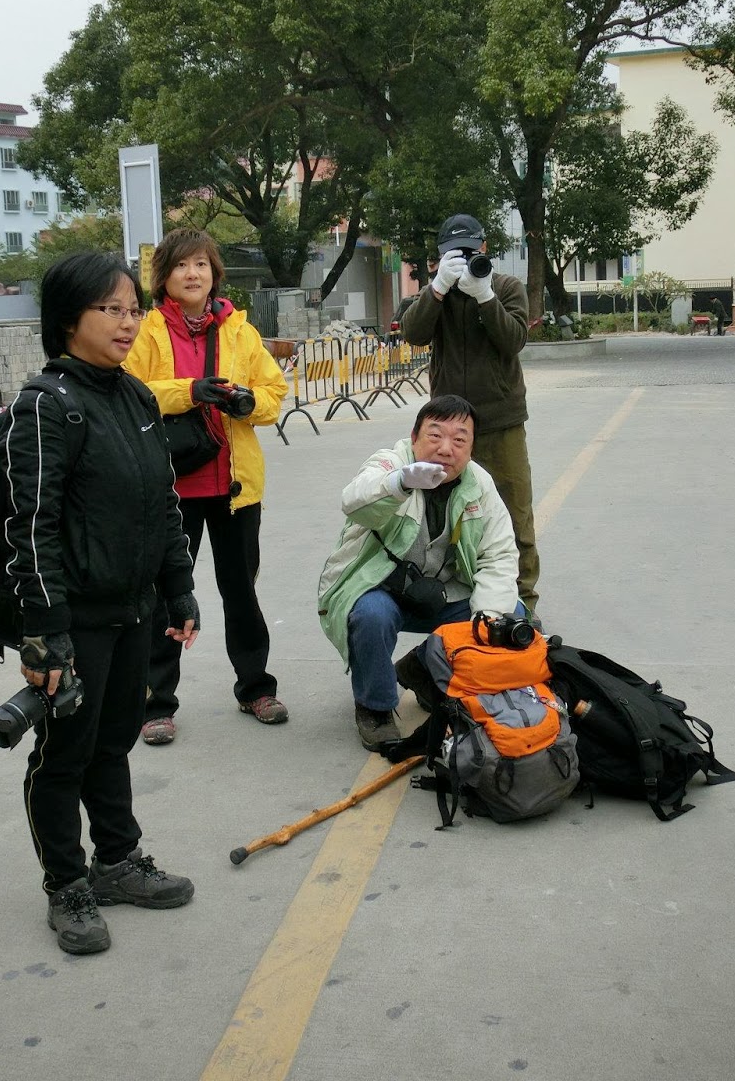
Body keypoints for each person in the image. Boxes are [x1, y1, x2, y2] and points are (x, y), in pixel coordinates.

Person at [2, 251, 200, 955]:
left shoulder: (136, 397)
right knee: (64, 755)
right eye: (109, 309)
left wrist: (178, 587)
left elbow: (163, 503)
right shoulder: (45, 406)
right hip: (75, 618)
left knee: (114, 741)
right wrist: (44, 633)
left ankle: (117, 860)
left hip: (134, 609)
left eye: (133, 309)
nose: (127, 323)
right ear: (67, 319)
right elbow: (33, 528)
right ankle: (66, 884)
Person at [124, 227, 289, 746]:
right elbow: (129, 394)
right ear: (164, 277)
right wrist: (189, 391)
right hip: (171, 491)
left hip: (235, 488)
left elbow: (274, 391)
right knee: (165, 597)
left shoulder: (240, 331)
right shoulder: (147, 332)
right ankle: (156, 703)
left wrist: (248, 403)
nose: (192, 274)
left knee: (241, 592)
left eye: (200, 264)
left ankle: (255, 688)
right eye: (181, 265)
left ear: (214, 274)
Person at [316, 394, 521, 750]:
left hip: (445, 592)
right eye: (435, 435)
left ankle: (422, 669)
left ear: (471, 448)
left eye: (460, 440)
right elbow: (353, 500)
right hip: (380, 586)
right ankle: (374, 707)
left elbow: (499, 555)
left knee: (511, 615)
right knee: (371, 615)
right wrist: (399, 483)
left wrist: (487, 617)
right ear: (414, 438)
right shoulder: (391, 463)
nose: (446, 449)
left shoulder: (479, 484)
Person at [399, 213, 540, 619]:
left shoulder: (507, 287)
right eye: (452, 253)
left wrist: (485, 296)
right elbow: (413, 333)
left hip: (500, 422)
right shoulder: (437, 294)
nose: (462, 258)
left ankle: (522, 605)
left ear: (484, 247)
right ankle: (458, 599)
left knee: (514, 514)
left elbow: (514, 340)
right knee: (447, 515)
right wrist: (437, 288)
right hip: (448, 428)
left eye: (468, 250)